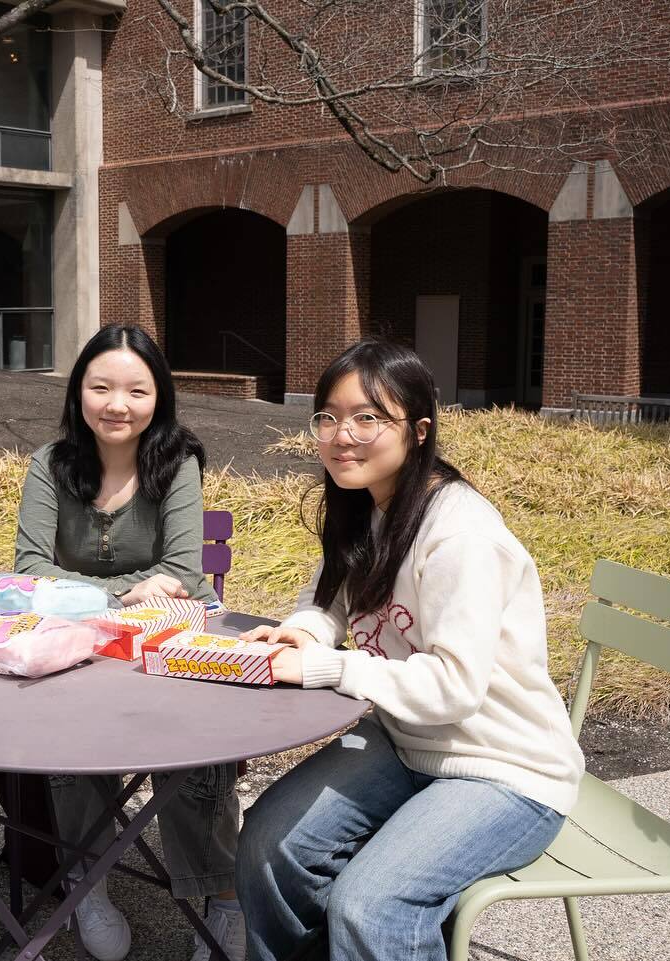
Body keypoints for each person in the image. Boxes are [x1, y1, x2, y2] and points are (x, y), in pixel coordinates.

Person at [236, 340, 584, 961]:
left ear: (418, 431)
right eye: (328, 416)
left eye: (368, 418)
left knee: (373, 905)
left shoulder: (460, 537)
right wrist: (308, 631)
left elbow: (453, 687)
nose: (342, 435)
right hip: (407, 742)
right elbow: (334, 603)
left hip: (503, 767)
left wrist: (327, 665)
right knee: (271, 843)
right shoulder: (368, 506)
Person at [14, 324, 243, 961]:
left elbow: (188, 576)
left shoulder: (179, 463)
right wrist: (123, 594)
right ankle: (89, 880)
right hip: (81, 639)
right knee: (65, 728)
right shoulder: (49, 466)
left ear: (158, 399)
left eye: (136, 390)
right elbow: (29, 567)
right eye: (102, 387)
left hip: (166, 642)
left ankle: (223, 895)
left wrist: (82, 587)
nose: (118, 404)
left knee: (200, 742)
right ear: (78, 393)